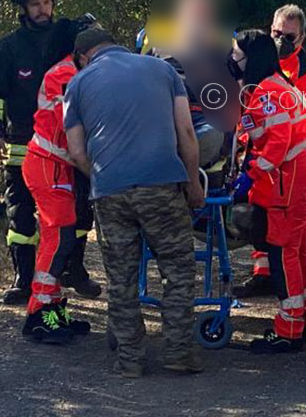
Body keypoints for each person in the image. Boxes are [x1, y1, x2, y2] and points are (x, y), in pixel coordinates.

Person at [63, 28, 206, 378]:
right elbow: (187, 133)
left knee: (121, 277)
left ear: (83, 56)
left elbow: (77, 152)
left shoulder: (77, 85)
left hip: (110, 191)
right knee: (178, 270)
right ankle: (178, 353)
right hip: (162, 185)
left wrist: (102, 177)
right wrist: (192, 184)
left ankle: (129, 360)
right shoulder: (163, 70)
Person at [0, 0, 99, 305]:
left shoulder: (69, 42)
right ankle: (24, 278)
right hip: (22, 144)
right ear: (23, 7)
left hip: (69, 146)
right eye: (35, 4)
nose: (43, 9)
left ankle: (73, 269)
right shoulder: (7, 50)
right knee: (20, 214)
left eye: (47, 2)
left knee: (78, 212)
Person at [228, 29, 306, 353]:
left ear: (251, 58)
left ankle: (288, 330)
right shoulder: (279, 85)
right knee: (300, 250)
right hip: (299, 180)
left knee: (283, 253)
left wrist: (250, 174)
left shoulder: (267, 92)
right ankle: (304, 317)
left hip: (284, 185)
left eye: (237, 54)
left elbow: (277, 143)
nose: (232, 59)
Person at [21, 16, 100, 343]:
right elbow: (72, 126)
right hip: (48, 164)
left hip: (55, 165)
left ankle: (51, 307)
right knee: (59, 238)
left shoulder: (72, 71)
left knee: (59, 237)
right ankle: (39, 312)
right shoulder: (65, 75)